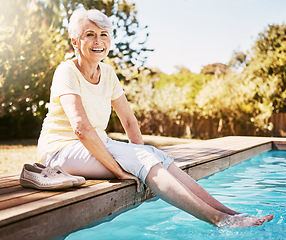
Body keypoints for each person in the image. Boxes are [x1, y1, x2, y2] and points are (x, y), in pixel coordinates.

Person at [37, 8, 273, 228]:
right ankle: (219, 219)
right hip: (60, 151)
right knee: (143, 157)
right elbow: (81, 128)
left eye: (104, 34)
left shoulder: (107, 73)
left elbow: (129, 121)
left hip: (95, 146)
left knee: (157, 155)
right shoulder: (66, 71)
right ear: (75, 42)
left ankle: (232, 213)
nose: (98, 41)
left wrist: (142, 160)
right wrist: (124, 170)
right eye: (90, 34)